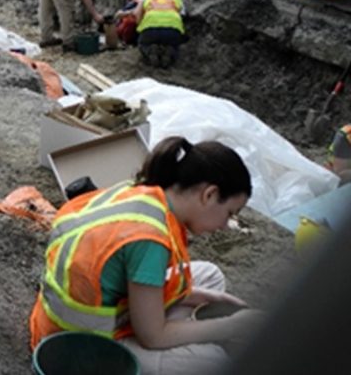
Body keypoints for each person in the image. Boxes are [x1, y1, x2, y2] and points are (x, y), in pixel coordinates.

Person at [29, 136, 264, 375]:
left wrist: (200, 297)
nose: (226, 225)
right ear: (210, 195)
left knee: (210, 276)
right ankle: (190, 336)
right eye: (230, 213)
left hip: (91, 309)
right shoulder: (149, 239)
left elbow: (130, 277)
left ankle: (188, 331)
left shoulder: (145, 193)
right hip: (83, 345)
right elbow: (152, 337)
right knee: (214, 361)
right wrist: (231, 327)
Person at [136, 0, 186, 68]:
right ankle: (170, 51)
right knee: (175, 45)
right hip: (173, 28)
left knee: (143, 43)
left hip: (150, 28)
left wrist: (139, 28)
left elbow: (137, 13)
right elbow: (182, 16)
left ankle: (150, 50)